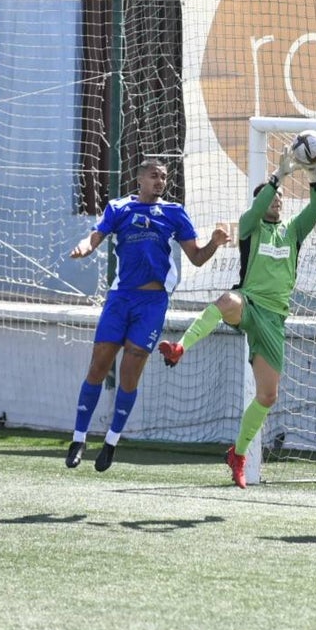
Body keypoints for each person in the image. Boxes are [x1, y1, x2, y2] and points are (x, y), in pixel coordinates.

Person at [159, 151, 316, 488]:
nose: (276, 201)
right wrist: (277, 175)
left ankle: (238, 453)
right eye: (270, 197)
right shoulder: (250, 227)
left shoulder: (292, 232)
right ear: (260, 202)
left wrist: (313, 175)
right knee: (225, 299)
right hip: (248, 303)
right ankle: (179, 347)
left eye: (279, 198)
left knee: (267, 396)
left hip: (274, 319)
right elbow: (255, 211)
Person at [66, 157, 229, 472]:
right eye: (154, 175)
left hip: (152, 303)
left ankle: (111, 442)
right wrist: (85, 247)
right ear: (139, 179)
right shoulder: (119, 208)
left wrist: (214, 243)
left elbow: (195, 258)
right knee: (99, 363)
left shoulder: (174, 213)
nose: (160, 181)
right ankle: (79, 437)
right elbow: (95, 236)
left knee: (130, 371)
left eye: (164, 177)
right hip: (120, 298)